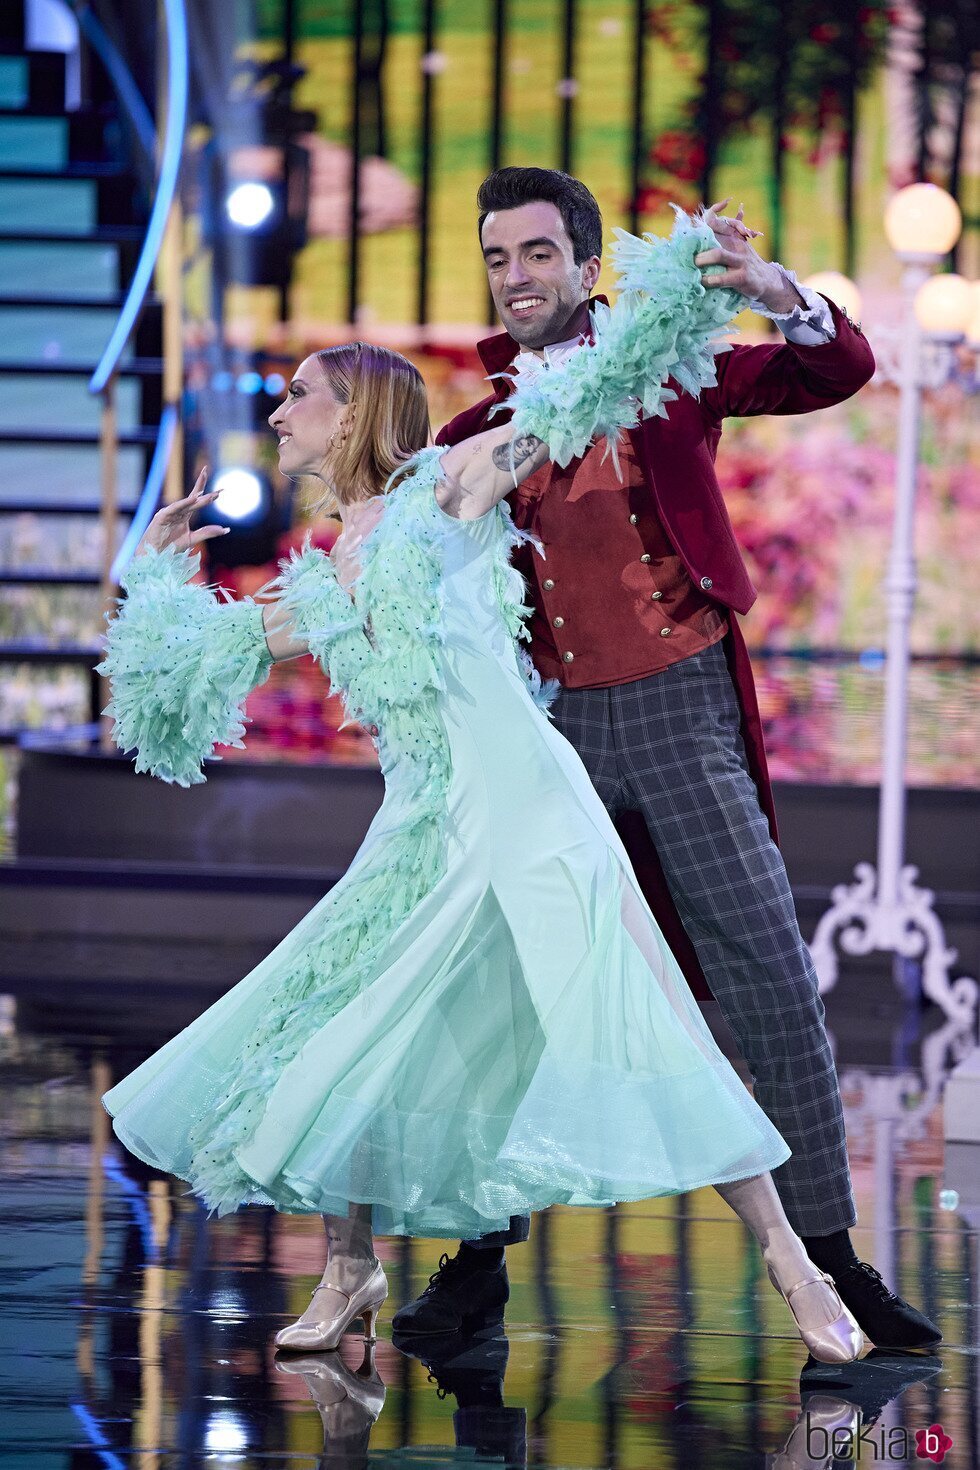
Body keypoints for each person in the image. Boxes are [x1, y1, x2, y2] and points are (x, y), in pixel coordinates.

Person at [98, 221, 871, 1366]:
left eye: (296, 396)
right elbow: (181, 675)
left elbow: (581, 396)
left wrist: (688, 293)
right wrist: (147, 575)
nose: (275, 417)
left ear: (354, 413)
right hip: (419, 827)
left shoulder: (446, 487)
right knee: (339, 1029)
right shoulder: (316, 583)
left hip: (525, 801)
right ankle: (350, 1270)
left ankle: (792, 1262)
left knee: (648, 1022)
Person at [393, 167, 940, 1354]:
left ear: (586, 264)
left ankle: (833, 1260)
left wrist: (773, 290)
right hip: (553, 735)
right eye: (497, 259)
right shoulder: (476, 432)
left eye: (537, 254)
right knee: (523, 996)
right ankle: (478, 1259)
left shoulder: (662, 367)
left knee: (767, 980)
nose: (517, 278)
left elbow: (829, 369)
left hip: (679, 708)